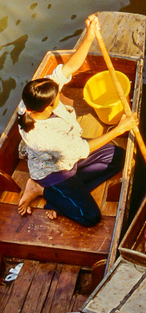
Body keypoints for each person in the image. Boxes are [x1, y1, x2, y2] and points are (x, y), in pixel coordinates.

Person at [16, 16, 138, 227]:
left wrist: (90, 35)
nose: (59, 96)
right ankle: (43, 190)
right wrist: (120, 129)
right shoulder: (44, 138)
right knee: (90, 217)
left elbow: (69, 68)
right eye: (57, 99)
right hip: (54, 173)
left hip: (68, 158)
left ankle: (62, 195)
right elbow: (83, 148)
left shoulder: (32, 101)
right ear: (48, 107)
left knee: (118, 157)